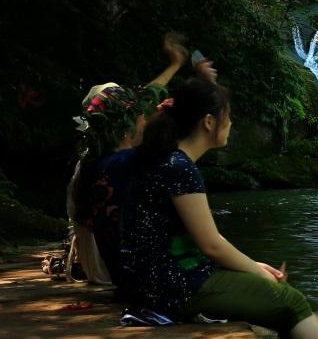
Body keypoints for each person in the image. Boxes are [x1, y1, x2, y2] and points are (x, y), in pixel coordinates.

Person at [122, 77, 318, 339]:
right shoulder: (180, 168)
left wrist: (255, 266)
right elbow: (211, 245)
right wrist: (256, 272)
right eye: (228, 115)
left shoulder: (167, 162)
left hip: (156, 281)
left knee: (276, 297)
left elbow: (207, 238)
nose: (232, 122)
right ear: (209, 122)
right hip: (173, 288)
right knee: (288, 300)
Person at [66, 33, 217, 284]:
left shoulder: (93, 160)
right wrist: (204, 89)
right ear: (126, 127)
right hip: (117, 272)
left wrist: (175, 66)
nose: (145, 118)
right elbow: (176, 144)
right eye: (139, 115)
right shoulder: (125, 163)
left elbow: (148, 97)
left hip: (100, 266)